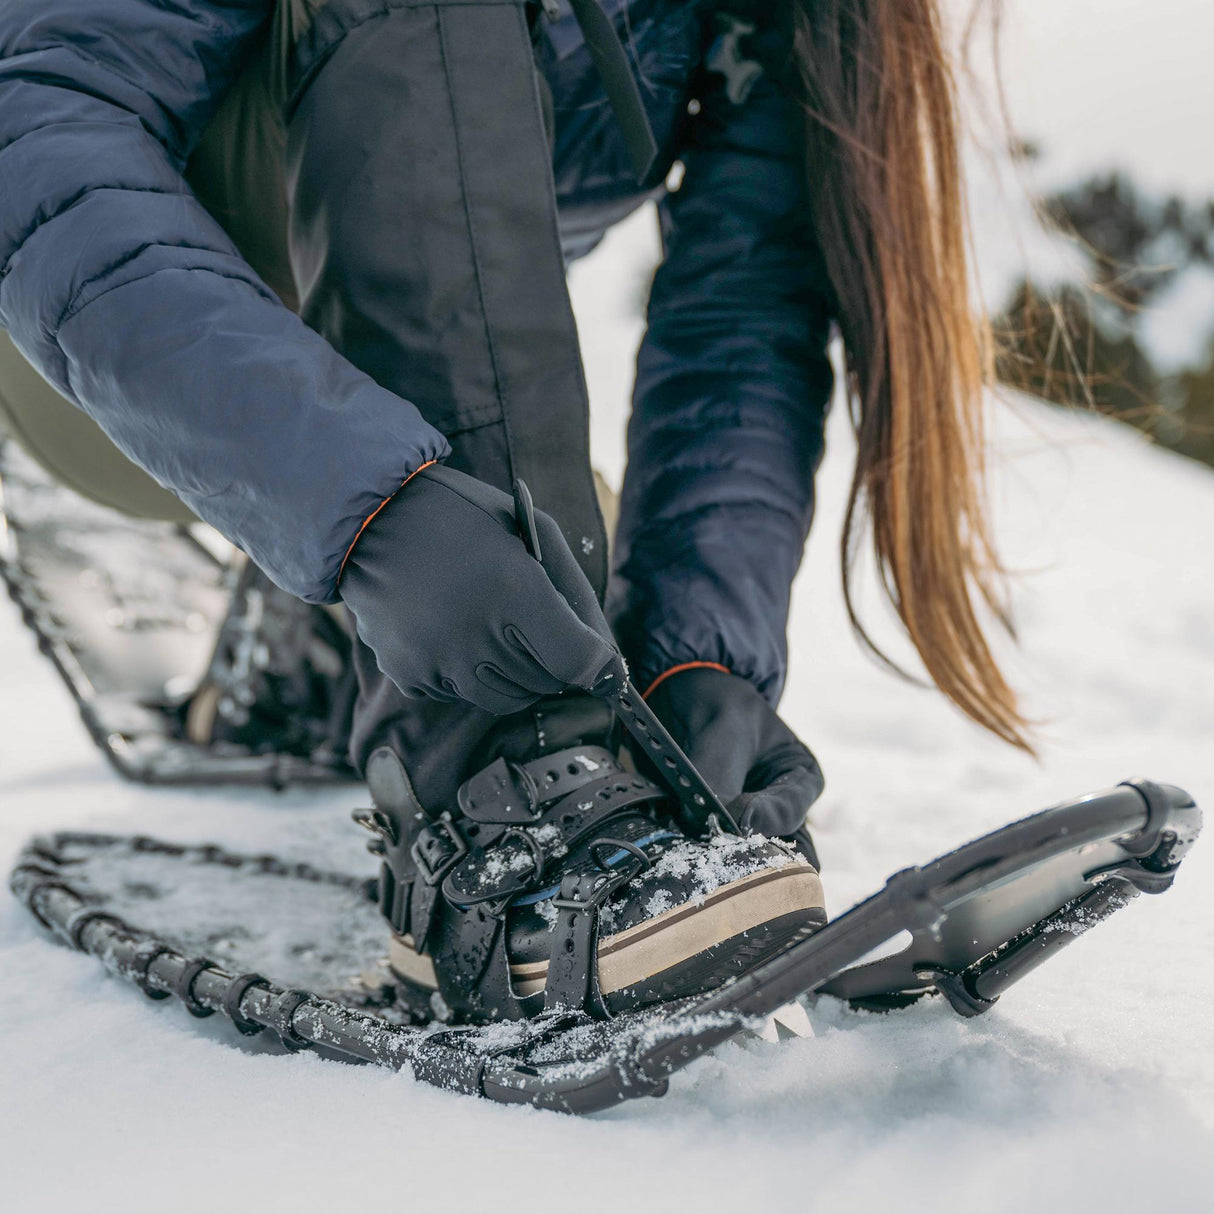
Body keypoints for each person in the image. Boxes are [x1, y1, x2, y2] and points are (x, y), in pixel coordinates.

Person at [0, 0, 1028, 1022]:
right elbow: (34, 130)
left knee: (555, 589)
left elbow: (740, 308)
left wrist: (697, 651)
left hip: (380, 380)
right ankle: (463, 819)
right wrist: (357, 506)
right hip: (89, 342)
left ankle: (324, 634)